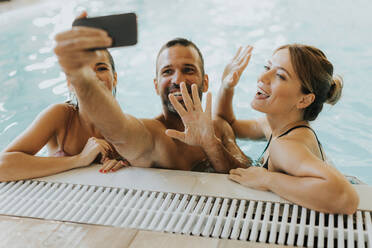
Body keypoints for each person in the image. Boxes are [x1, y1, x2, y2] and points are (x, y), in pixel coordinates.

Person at [52, 12, 251, 174]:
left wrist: (211, 145)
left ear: (205, 82)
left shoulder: (220, 128)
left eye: (188, 70)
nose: (177, 80)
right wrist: (81, 75)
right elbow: (119, 129)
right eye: (167, 71)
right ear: (156, 86)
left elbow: (247, 172)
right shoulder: (153, 134)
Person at [211, 44, 358, 214]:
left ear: (304, 100)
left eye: (280, 76)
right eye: (267, 67)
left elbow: (346, 199)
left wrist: (267, 179)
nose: (262, 77)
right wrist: (227, 86)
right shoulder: (277, 126)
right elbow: (227, 124)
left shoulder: (286, 146)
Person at [0, 48, 130, 182]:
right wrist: (79, 160)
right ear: (70, 84)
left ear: (114, 79)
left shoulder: (126, 130)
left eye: (101, 68)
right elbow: (2, 167)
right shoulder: (60, 117)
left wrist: (125, 165)